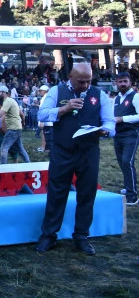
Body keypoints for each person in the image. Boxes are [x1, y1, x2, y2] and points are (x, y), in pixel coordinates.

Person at [36, 63, 115, 255]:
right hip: (62, 150)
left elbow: (110, 122)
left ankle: (81, 236)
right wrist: (64, 109)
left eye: (88, 81)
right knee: (57, 192)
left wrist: (105, 130)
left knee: (87, 193)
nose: (85, 85)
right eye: (81, 82)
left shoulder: (99, 94)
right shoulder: (56, 91)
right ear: (70, 76)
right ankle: (49, 236)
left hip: (88, 151)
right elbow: (42, 114)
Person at [113, 72, 139, 206]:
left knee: (127, 162)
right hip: (118, 135)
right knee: (122, 163)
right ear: (116, 83)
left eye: (125, 81)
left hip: (131, 134)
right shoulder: (116, 98)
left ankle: (132, 195)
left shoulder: (135, 96)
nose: (122, 84)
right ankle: (129, 186)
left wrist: (122, 119)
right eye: (120, 81)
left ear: (130, 83)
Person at [37, 85, 53, 153]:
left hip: (46, 120)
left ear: (44, 91)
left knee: (45, 134)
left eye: (40, 91)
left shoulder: (45, 98)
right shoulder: (47, 97)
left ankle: (45, 148)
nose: (39, 92)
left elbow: (43, 109)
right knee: (45, 133)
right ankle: (45, 147)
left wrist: (42, 121)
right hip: (48, 120)